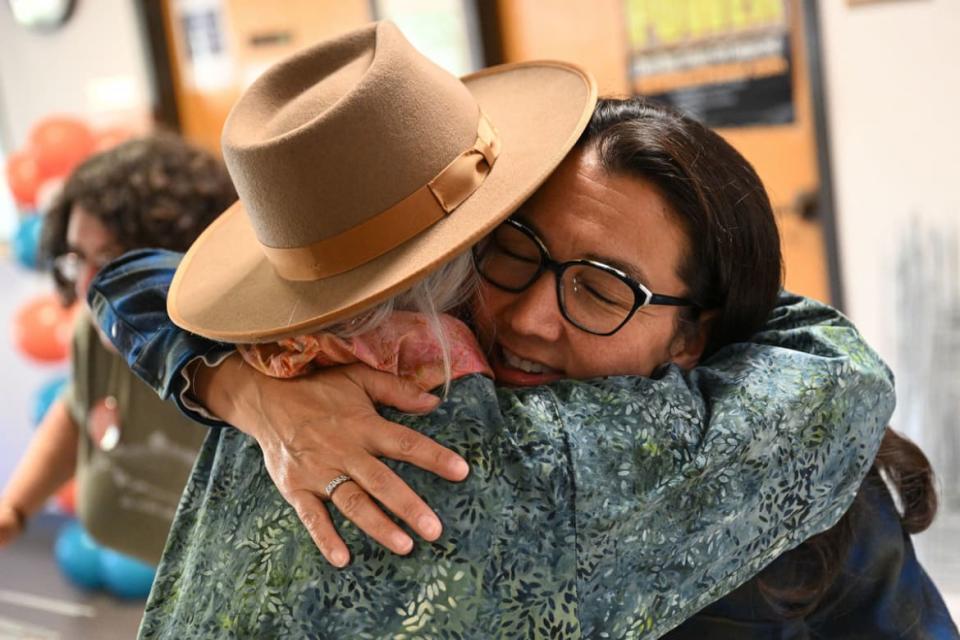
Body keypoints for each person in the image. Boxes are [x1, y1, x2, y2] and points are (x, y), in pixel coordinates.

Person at [89, 23, 954, 638]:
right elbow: (129, 280)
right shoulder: (369, 377)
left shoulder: (777, 472)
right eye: (515, 253)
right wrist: (242, 388)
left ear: (696, 333)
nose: (533, 318)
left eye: (601, 290)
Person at [0, 134, 237, 564]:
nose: (91, 288)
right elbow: (80, 407)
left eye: (112, 260)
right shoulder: (94, 334)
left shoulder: (240, 357)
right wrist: (13, 510)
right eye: (78, 258)